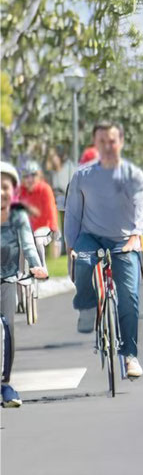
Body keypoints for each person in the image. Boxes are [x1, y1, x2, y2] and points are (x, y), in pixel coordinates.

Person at [64, 122, 143, 379]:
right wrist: (70, 245)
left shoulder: (133, 176)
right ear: (95, 144)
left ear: (121, 142)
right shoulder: (82, 176)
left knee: (129, 297)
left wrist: (136, 234)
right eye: (101, 141)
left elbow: (142, 205)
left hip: (123, 240)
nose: (107, 146)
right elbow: (72, 214)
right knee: (82, 259)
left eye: (112, 141)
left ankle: (129, 356)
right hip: (91, 238)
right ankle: (87, 306)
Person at [2, 161, 50, 407]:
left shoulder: (18, 214)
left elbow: (28, 243)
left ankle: (5, 385)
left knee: (8, 331)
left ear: (13, 190)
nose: (1, 192)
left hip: (8, 279)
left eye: (6, 187)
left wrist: (36, 265)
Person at [16, 161, 60, 256]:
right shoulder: (20, 191)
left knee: (38, 241)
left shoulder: (45, 189)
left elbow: (51, 210)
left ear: (38, 176)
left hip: (44, 228)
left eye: (33, 175)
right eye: (26, 176)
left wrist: (54, 228)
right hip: (27, 228)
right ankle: (20, 270)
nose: (29, 179)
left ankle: (42, 267)